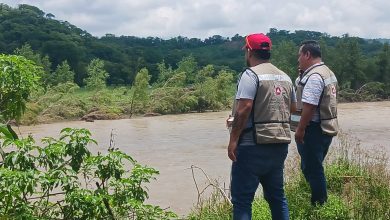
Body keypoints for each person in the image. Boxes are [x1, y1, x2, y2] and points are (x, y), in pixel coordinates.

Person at [227, 33, 296, 220]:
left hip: (251, 146)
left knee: (242, 201)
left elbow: (245, 108)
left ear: (249, 51)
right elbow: (292, 108)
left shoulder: (250, 75)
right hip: (280, 145)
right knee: (277, 198)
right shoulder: (286, 78)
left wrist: (233, 140)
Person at [294, 40, 339, 205]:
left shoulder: (314, 76)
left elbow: (310, 106)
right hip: (326, 128)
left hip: (312, 129)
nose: (298, 59)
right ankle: (317, 196)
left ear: (307, 54)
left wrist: (300, 129)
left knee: (313, 169)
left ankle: (319, 204)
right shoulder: (327, 72)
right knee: (311, 167)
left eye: (300, 55)